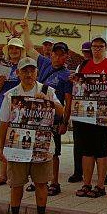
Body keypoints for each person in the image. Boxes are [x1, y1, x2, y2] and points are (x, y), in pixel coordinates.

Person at [0, 57, 64, 214]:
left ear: (37, 72)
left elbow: (62, 111)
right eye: (24, 71)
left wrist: (48, 101)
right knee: (17, 183)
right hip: (18, 146)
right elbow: (4, 123)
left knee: (41, 183)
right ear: (18, 73)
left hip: (42, 147)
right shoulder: (11, 95)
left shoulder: (47, 90)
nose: (28, 74)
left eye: (31, 70)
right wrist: (0, 148)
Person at [20, 21, 72, 196]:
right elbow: (29, 48)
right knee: (36, 148)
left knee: (53, 152)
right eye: (55, 54)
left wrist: (65, 122)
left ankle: (55, 183)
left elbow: (68, 101)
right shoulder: (43, 63)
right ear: (51, 55)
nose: (57, 57)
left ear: (66, 57)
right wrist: (26, 30)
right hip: (36, 116)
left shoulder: (67, 76)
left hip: (54, 119)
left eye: (61, 55)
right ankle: (38, 179)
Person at [69, 35, 107, 198]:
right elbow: (78, 89)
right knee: (86, 149)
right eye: (94, 46)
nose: (97, 49)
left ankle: (100, 185)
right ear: (91, 49)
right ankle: (86, 183)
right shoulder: (84, 65)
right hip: (85, 114)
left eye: (100, 46)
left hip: (104, 114)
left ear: (105, 49)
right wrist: (74, 80)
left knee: (101, 149)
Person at [0, 37, 25, 187]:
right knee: (3, 141)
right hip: (2, 106)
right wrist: (1, 82)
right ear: (8, 50)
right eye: (11, 48)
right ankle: (2, 175)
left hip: (20, 109)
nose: (14, 51)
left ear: (21, 50)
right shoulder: (1, 67)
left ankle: (14, 176)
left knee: (16, 141)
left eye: (17, 48)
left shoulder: (26, 67)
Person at [68, 41, 93, 183]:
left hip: (96, 111)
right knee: (78, 143)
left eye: (88, 52)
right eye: (85, 52)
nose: (87, 54)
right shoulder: (80, 66)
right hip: (80, 108)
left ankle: (103, 173)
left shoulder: (103, 66)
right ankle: (78, 171)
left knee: (96, 143)